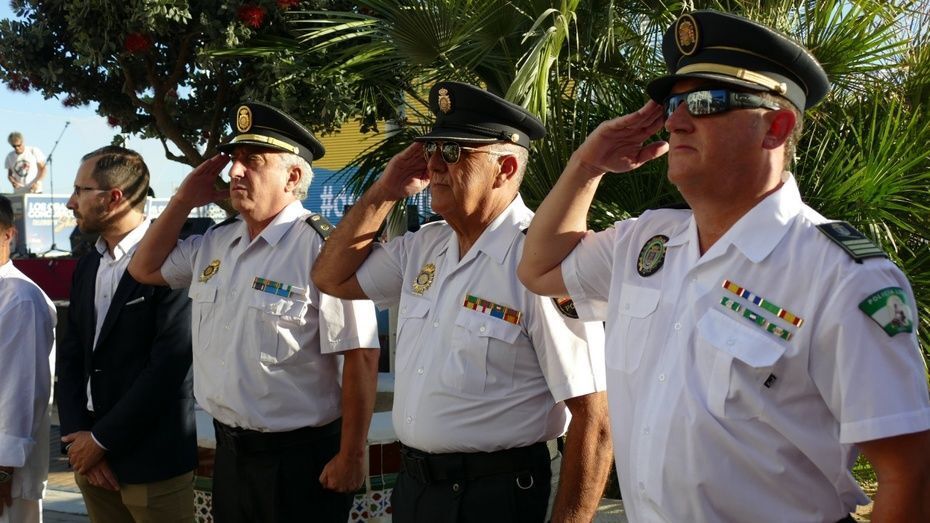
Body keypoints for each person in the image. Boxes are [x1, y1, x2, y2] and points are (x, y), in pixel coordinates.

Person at [518, 9, 930, 522]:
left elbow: (909, 473)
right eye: (673, 105)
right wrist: (587, 166)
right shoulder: (646, 241)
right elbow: (538, 270)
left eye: (706, 102)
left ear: (776, 128)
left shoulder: (841, 276)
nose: (676, 121)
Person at [311, 81, 611, 523]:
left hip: (496, 495)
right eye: (431, 149)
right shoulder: (425, 247)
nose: (433, 164)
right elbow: (329, 277)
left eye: (453, 151)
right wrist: (384, 191)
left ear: (505, 168)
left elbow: (594, 419)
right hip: (416, 490)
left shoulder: (539, 261)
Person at [127, 101, 381, 523]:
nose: (234, 172)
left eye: (253, 161)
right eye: (235, 160)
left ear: (293, 177)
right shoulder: (216, 242)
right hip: (230, 456)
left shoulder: (323, 249)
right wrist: (183, 199)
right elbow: (144, 269)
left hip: (299, 461)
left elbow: (361, 354)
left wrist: (352, 456)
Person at [57, 146, 197, 522]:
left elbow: (169, 367)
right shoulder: (88, 264)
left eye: (80, 190)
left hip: (152, 462)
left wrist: (101, 441)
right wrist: (77, 437)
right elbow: (71, 357)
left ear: (114, 197)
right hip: (89, 460)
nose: (71, 202)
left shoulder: (175, 262)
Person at [0, 194, 56, 522]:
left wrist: (4, 471)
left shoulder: (20, 298)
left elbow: (22, 392)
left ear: (9, 234)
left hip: (9, 474)